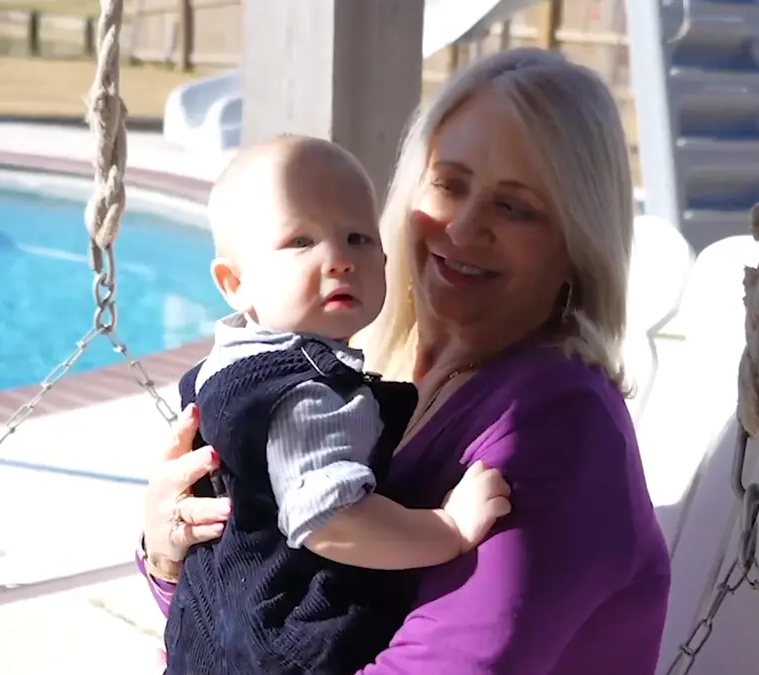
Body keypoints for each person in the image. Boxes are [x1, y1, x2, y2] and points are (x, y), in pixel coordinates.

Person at [139, 46, 672, 674]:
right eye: (450, 184)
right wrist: (170, 548)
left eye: (515, 206)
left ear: (575, 246)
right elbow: (250, 607)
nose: (465, 227)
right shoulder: (356, 369)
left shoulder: (557, 424)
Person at [160, 136, 513, 675]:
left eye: (357, 238)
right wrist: (449, 530)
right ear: (234, 282)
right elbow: (328, 518)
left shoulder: (219, 370)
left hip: (209, 639)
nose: (340, 260)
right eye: (301, 241)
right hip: (294, 648)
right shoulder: (308, 394)